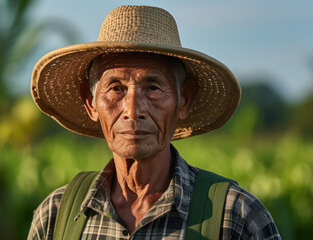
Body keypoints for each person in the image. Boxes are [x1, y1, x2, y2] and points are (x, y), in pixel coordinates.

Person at [28, 5, 281, 240]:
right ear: (91, 103)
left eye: (153, 87)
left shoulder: (237, 217)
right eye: (116, 88)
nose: (133, 110)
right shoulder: (56, 215)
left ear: (185, 101)